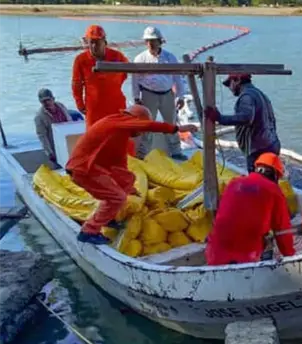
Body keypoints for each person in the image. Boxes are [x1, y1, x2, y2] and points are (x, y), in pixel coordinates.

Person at [65, 105, 198, 245]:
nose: (141, 133)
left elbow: (120, 167)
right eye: (140, 129)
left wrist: (132, 190)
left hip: (92, 168)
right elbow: (149, 125)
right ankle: (88, 231)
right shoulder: (119, 121)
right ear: (136, 121)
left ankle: (109, 219)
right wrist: (177, 129)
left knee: (124, 185)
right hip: (84, 169)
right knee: (116, 197)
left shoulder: (119, 134)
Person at [205, 152, 296, 265]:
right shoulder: (273, 190)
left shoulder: (234, 183)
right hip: (246, 256)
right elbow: (283, 230)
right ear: (275, 175)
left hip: (214, 253)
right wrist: (291, 258)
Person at [203, 73, 280, 172]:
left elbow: (246, 118)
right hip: (271, 144)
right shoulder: (260, 94)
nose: (230, 88)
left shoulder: (247, 96)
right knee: (270, 181)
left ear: (237, 80)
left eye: (229, 84)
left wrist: (219, 118)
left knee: (257, 182)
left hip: (259, 149)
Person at [131, 26, 188, 160]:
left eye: (153, 40)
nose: (150, 43)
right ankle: (143, 154)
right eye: (148, 40)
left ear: (160, 41)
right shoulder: (140, 59)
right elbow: (135, 80)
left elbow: (177, 78)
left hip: (167, 94)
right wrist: (136, 97)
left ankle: (176, 152)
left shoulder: (170, 57)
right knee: (147, 125)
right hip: (148, 94)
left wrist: (180, 96)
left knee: (171, 123)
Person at [71, 25, 130, 128]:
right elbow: (76, 84)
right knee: (94, 138)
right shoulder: (80, 60)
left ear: (104, 42)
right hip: (94, 108)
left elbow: (125, 73)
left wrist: (111, 84)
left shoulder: (117, 56)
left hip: (116, 105)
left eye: (97, 42)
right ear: (87, 43)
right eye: (91, 42)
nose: (94, 46)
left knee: (118, 136)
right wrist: (79, 103)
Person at [34, 88, 72, 165]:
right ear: (40, 102)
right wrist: (49, 153)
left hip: (68, 142)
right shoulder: (39, 117)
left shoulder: (61, 106)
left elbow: (70, 122)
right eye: (43, 101)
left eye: (48, 100)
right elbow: (42, 136)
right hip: (55, 147)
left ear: (53, 98)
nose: (47, 103)